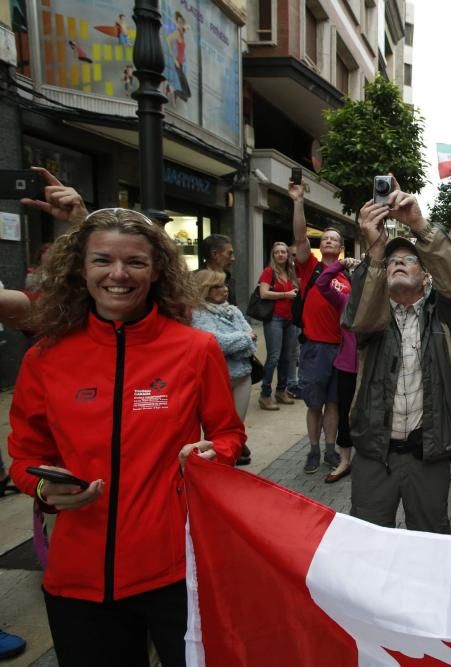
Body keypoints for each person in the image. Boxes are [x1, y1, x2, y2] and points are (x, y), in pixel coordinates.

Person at [7, 208, 245, 666]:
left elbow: (228, 433)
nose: (118, 274)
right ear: (81, 268)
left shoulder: (196, 350)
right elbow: (24, 456)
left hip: (176, 571)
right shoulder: (46, 357)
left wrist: (214, 454)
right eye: (102, 260)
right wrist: (41, 486)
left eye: (135, 262)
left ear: (156, 271)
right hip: (78, 578)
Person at [342, 181, 451, 533]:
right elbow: (358, 316)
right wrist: (374, 249)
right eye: (392, 262)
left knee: (430, 542)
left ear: (427, 276)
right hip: (374, 453)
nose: (398, 264)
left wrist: (420, 225)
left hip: (427, 453)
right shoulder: (373, 318)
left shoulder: (446, 317)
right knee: (368, 544)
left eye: (408, 260)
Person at [291, 181, 346, 474]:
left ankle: (329, 449)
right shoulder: (309, 268)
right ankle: (312, 450)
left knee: (334, 404)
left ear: (340, 247)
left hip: (339, 350)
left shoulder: (347, 276)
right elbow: (300, 238)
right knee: (314, 404)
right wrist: (298, 201)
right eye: (324, 238)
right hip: (313, 348)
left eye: (334, 239)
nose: (328, 241)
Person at [191, 269, 257, 440]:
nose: (225, 289)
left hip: (243, 376)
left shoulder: (234, 311)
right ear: (205, 289)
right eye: (218, 286)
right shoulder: (197, 314)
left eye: (225, 284)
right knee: (217, 431)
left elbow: (252, 343)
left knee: (236, 428)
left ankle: (231, 461)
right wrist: (243, 339)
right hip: (216, 379)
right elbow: (215, 344)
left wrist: (236, 344)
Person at [315, 257, 359, 484]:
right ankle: (344, 460)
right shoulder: (345, 300)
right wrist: (341, 265)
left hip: (373, 368)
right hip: (346, 367)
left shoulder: (384, 301)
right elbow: (322, 283)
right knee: (345, 414)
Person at [256, 241, 300, 410]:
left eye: (284, 252)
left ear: (288, 255)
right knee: (274, 357)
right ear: (273, 255)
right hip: (274, 318)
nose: (281, 255)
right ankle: (265, 394)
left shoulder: (290, 272)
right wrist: (286, 294)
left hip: (290, 319)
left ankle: (281, 391)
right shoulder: (269, 272)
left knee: (287, 357)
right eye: (277, 252)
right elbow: (264, 293)